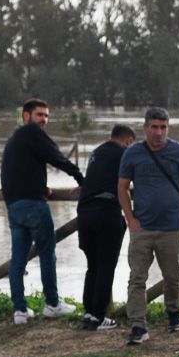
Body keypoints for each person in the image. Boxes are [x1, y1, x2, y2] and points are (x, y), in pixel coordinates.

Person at [118, 107, 179, 346]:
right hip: (142, 228)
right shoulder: (132, 153)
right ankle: (138, 326)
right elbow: (122, 187)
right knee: (136, 279)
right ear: (145, 128)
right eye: (154, 127)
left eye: (163, 127)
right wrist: (130, 219)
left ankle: (174, 315)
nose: (159, 132)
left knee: (172, 276)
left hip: (172, 226)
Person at [0, 98, 82, 325]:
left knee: (18, 259)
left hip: (14, 206)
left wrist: (40, 186)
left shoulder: (14, 139)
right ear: (26, 116)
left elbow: (17, 170)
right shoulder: (33, 133)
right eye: (40, 115)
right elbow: (56, 158)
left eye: (46, 116)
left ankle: (20, 310)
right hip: (33, 206)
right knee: (47, 254)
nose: (44, 120)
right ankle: (53, 304)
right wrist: (82, 178)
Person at [75, 122, 135, 331]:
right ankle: (99, 318)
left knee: (92, 265)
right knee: (106, 266)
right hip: (106, 213)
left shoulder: (96, 153)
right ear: (128, 141)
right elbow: (130, 181)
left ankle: (89, 312)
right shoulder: (124, 154)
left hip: (84, 215)